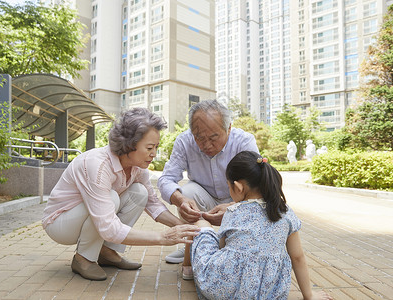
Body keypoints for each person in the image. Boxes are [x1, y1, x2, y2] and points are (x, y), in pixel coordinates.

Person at [42, 108, 199, 281]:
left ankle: (105, 252)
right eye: (149, 148)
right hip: (60, 223)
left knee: (139, 193)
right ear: (129, 145)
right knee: (111, 198)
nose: (154, 154)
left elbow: (153, 205)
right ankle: (84, 259)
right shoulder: (98, 166)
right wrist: (162, 238)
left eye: (156, 147)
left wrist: (183, 228)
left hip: (88, 217)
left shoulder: (138, 168)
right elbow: (108, 227)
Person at [189, 151, 333, 300]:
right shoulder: (285, 212)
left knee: (201, 224)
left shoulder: (233, 212)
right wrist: (309, 295)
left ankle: (187, 268)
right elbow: (297, 257)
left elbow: (221, 248)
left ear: (238, 187)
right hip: (269, 293)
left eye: (228, 186)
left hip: (224, 291)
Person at [157, 99, 259, 271]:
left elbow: (259, 186)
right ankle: (193, 246)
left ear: (228, 128)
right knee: (187, 191)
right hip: (204, 198)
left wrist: (235, 207)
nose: (206, 145)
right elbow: (166, 179)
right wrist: (180, 199)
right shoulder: (184, 141)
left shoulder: (244, 142)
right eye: (199, 138)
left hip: (237, 200)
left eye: (213, 137)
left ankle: (230, 246)